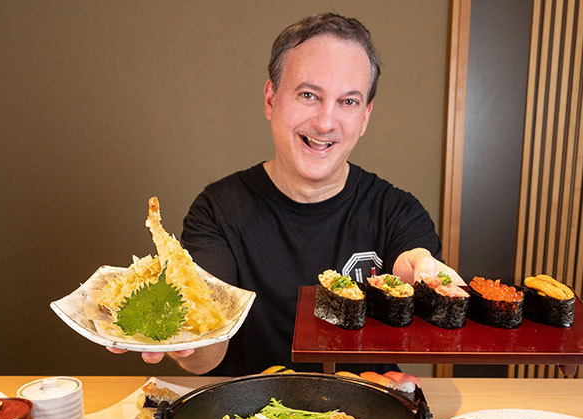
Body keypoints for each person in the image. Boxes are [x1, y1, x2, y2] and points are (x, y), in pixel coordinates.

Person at [112, 12, 462, 375]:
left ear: (365, 117)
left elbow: (416, 265)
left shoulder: (397, 212)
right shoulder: (218, 210)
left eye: (348, 102)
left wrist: (422, 278)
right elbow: (207, 356)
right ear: (271, 99)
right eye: (309, 95)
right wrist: (178, 333)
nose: (325, 122)